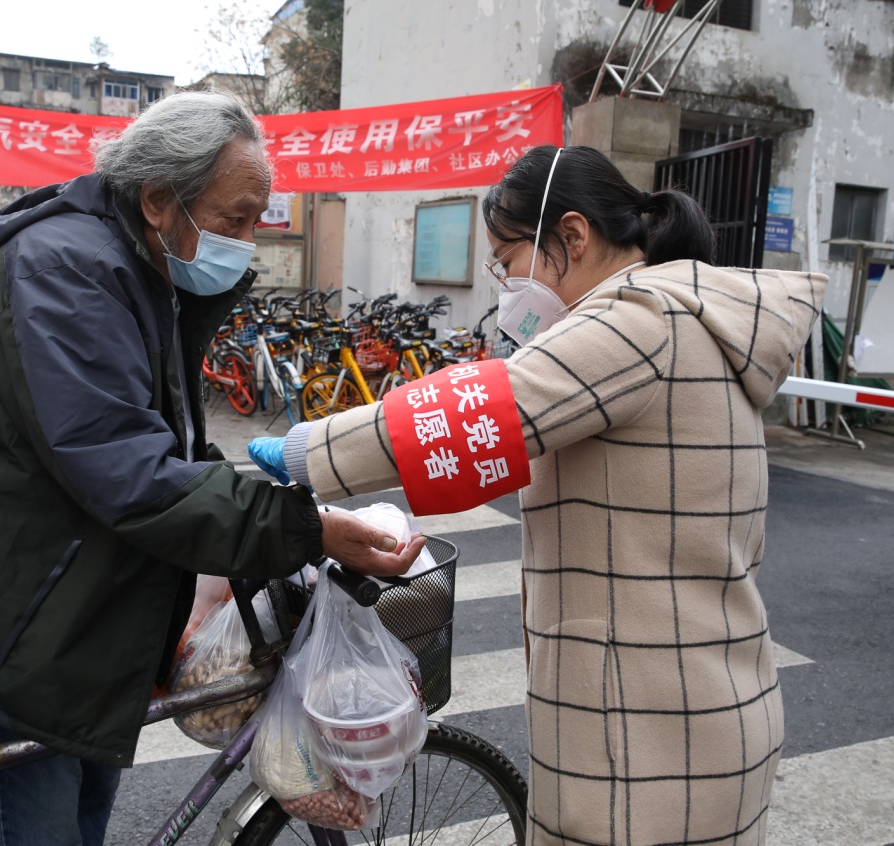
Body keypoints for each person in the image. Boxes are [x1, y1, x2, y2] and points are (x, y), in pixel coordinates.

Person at [0, 91, 424, 846]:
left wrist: (262, 511)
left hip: (77, 605)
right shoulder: (66, 270)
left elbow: (163, 440)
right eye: (233, 219)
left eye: (254, 221)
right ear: (160, 199)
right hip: (19, 609)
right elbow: (126, 469)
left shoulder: (138, 265)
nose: (245, 242)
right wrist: (303, 529)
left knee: (83, 814)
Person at [251, 145, 827, 846]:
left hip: (644, 735)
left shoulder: (635, 323)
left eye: (508, 256)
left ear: (573, 237)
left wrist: (302, 453)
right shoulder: (684, 315)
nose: (505, 281)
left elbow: (477, 414)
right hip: (696, 698)